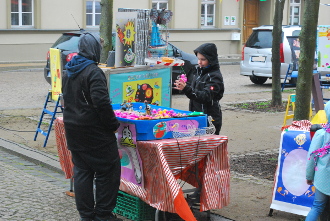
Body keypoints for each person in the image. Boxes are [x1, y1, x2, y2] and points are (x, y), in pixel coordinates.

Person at [62, 32, 122, 221]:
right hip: (94, 133)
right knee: (108, 171)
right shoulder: (93, 71)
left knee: (82, 171)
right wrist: (113, 125)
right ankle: (103, 215)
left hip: (73, 130)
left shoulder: (70, 69)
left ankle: (87, 216)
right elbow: (102, 104)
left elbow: (66, 100)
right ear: (94, 49)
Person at [173, 43, 224, 135]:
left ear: (211, 59)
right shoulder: (197, 71)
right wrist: (182, 85)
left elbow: (205, 96)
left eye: (203, 59)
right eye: (198, 59)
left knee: (207, 147)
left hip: (210, 119)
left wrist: (186, 88)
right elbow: (192, 89)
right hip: (196, 116)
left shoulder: (214, 77)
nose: (199, 62)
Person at [305, 101, 330, 221]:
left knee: (317, 207)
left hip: (323, 178)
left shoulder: (321, 134)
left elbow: (312, 158)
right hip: (323, 178)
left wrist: (309, 176)